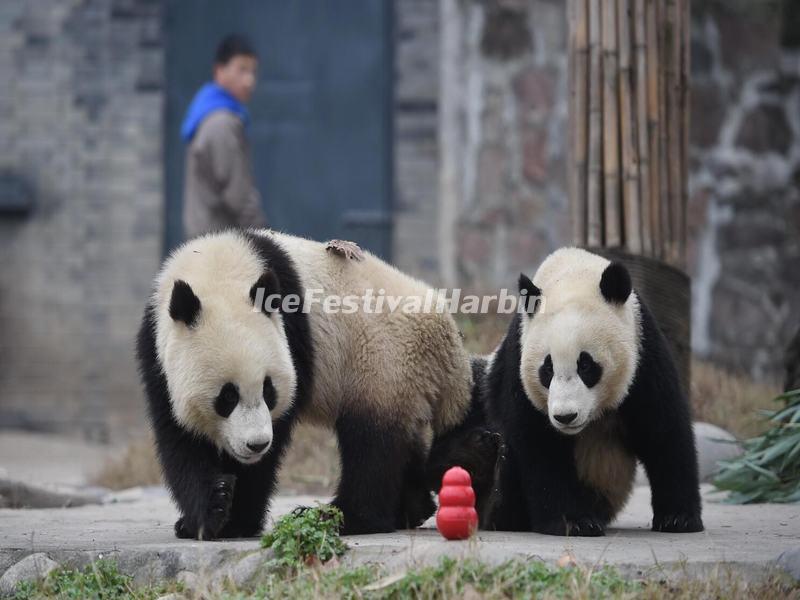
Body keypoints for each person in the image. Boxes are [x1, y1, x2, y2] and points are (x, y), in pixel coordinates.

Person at [181, 34, 267, 238]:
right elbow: (239, 196)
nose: (249, 80)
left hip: (204, 241)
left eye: (253, 71)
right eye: (242, 69)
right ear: (219, 71)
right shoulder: (222, 123)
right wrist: (267, 240)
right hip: (220, 249)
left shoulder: (206, 114)